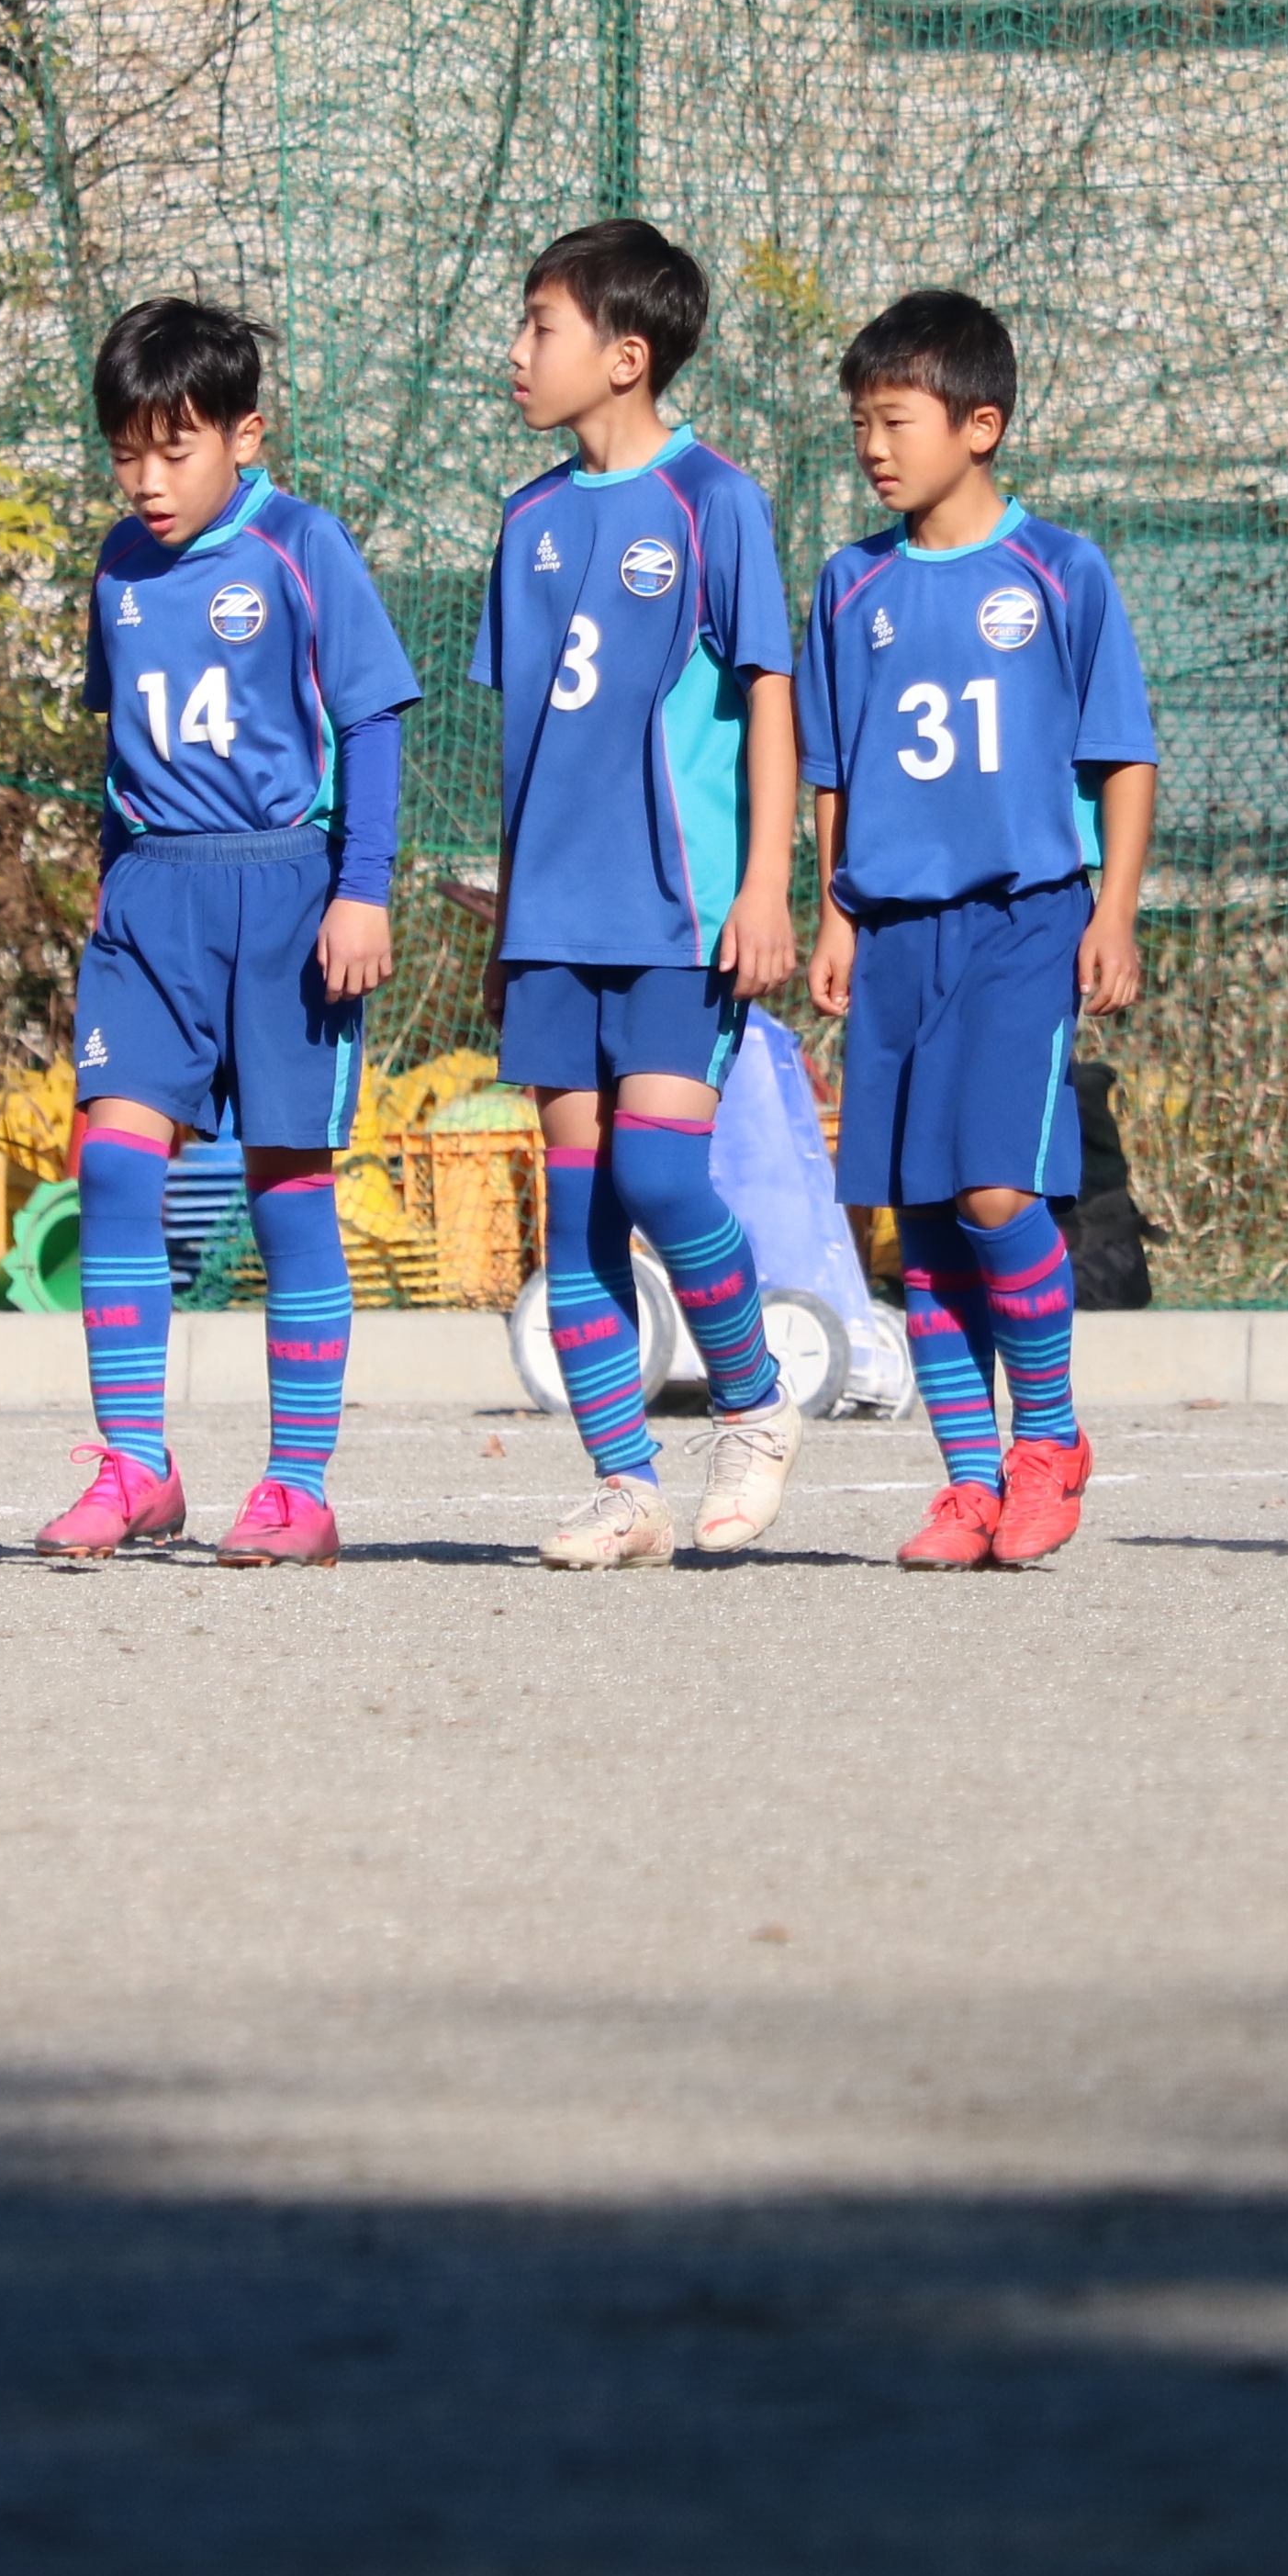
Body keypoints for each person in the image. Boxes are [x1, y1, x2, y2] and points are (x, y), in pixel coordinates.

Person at [31, 300, 419, 1568]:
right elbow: (121, 742)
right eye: (127, 453)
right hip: (153, 902)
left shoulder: (304, 546)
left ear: (245, 437)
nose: (148, 482)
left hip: (289, 898)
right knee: (114, 1163)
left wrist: (364, 887)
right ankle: (135, 1463)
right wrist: (107, 874)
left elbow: (370, 721)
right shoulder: (117, 564)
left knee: (289, 1188)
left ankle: (296, 1487)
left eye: (176, 451)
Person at [799, 290, 1161, 1568]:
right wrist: (834, 910)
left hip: (1024, 923)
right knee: (923, 1216)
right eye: (861, 425)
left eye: (896, 420)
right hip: (896, 937)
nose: (874, 447)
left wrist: (1113, 911)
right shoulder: (851, 586)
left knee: (1000, 1190)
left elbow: (1121, 758)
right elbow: (832, 773)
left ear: (981, 424)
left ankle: (1049, 1438)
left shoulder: (1061, 570)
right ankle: (967, 1485)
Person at [476, 218, 801, 1569]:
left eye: (539, 327)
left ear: (625, 355)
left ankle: (756, 1403)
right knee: (578, 1218)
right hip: (554, 921)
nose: (516, 352)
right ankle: (625, 1485)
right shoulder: (528, 518)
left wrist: (772, 882)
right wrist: (506, 917)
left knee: (662, 1170)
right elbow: (524, 745)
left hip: (678, 917)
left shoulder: (713, 498)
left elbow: (770, 695)